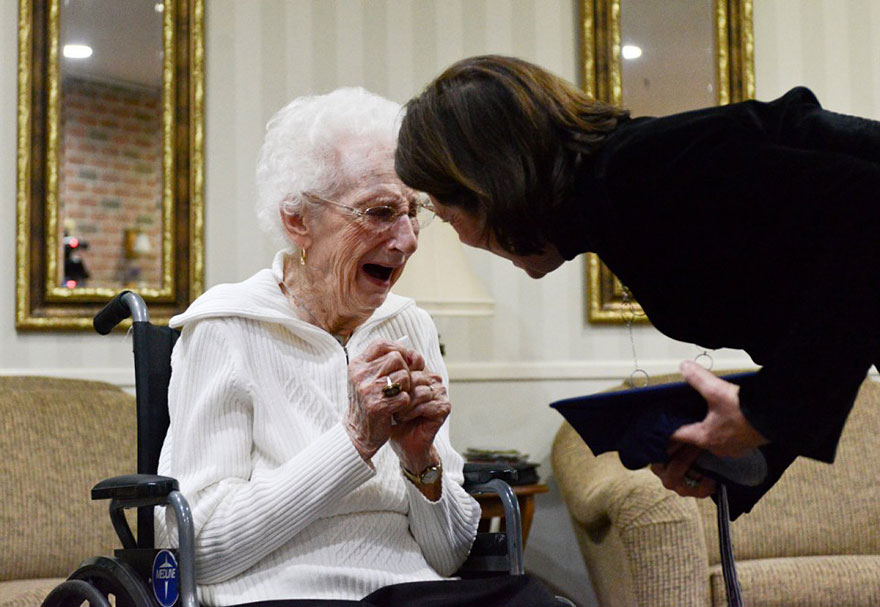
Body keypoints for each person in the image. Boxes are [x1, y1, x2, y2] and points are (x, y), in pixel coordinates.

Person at [395, 54, 880, 518]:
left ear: (488, 186)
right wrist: (748, 457)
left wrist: (766, 414)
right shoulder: (620, 193)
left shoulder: (639, 169)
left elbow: (865, 207)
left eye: (445, 215)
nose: (461, 237)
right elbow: (837, 300)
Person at [155, 87, 560, 606]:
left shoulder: (408, 324)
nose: (408, 240)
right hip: (288, 597)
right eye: (379, 211)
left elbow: (450, 555)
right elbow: (198, 548)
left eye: (412, 211)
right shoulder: (226, 326)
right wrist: (353, 442)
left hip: (414, 594)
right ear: (298, 220)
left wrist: (420, 459)